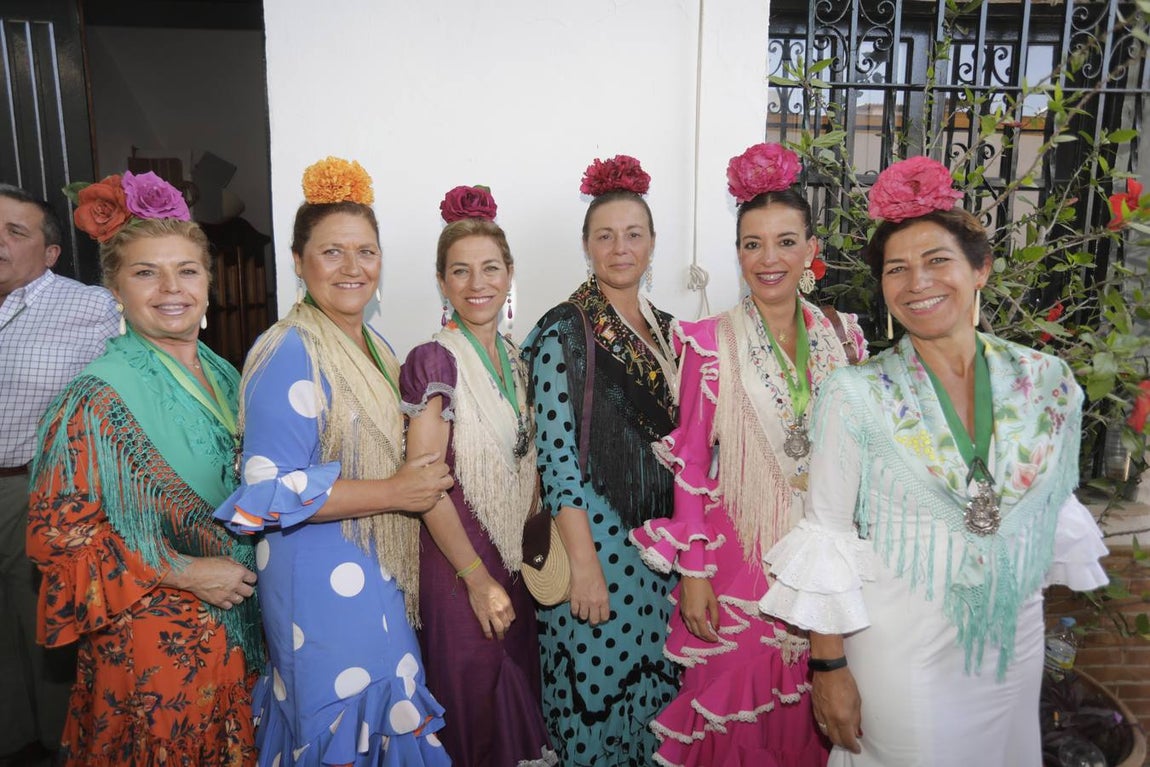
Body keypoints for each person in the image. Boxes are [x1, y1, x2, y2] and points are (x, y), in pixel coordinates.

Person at [759, 155, 1109, 767]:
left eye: (937, 260)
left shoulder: (1047, 380)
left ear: (981, 268)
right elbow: (826, 533)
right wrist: (829, 667)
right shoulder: (854, 393)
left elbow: (1047, 514)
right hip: (903, 649)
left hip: (1012, 644)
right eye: (897, 269)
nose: (917, 282)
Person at [215, 156, 454, 767]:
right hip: (320, 590)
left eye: (366, 252)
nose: (353, 268)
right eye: (332, 252)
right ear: (299, 262)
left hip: (375, 574)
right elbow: (267, 493)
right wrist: (395, 492)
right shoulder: (288, 350)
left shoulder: (374, 345)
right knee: (339, 732)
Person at [631, 143, 865, 766]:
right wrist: (694, 573)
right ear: (737, 254)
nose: (769, 259)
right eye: (752, 244)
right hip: (741, 568)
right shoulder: (708, 342)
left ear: (811, 249)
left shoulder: (845, 338)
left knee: (819, 715)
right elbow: (690, 465)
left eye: (786, 242)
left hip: (827, 562)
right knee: (738, 722)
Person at [27, 170, 261, 766]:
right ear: (115, 290)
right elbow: (59, 541)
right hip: (153, 646)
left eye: (188, 270)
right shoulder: (94, 399)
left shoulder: (225, 373)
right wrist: (185, 571)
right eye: (146, 273)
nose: (171, 288)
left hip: (236, 628)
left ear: (208, 282)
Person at [522, 155, 679, 766]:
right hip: (598, 547)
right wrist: (585, 567)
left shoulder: (670, 332)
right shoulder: (564, 330)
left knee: (658, 706)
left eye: (633, 234)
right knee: (596, 703)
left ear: (652, 243)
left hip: (660, 555)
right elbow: (556, 459)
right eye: (605, 236)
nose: (620, 248)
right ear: (586, 246)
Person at [399, 184, 556, 766]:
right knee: (473, 716)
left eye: (490, 268)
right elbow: (426, 486)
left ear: (509, 274)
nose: (476, 283)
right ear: (442, 282)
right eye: (460, 271)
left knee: (513, 708)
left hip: (510, 563)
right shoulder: (433, 360)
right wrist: (476, 579)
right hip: (459, 567)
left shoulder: (515, 359)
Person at [0, 183, 118, 763]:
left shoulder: (92, 308)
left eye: (14, 232)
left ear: (50, 253)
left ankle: (59, 744)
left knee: (42, 622)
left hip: (34, 488)